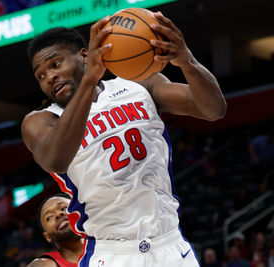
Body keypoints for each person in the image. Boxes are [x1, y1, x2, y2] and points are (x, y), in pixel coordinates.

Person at [21, 9, 227, 267]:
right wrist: (90, 80)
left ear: (85, 55)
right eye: (40, 75)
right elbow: (56, 159)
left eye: (55, 64)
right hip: (113, 253)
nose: (50, 77)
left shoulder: (139, 85)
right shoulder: (41, 121)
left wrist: (187, 60)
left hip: (170, 246)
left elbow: (213, 109)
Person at [28, 193, 83, 267]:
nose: (58, 214)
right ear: (47, 237)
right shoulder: (44, 264)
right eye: (49, 217)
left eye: (64, 208)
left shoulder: (102, 240)